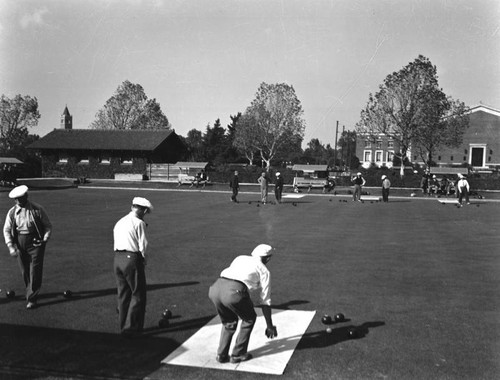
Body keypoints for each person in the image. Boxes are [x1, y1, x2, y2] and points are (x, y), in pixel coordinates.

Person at [208, 244, 277, 364]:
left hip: (215, 288)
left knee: (229, 322)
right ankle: (238, 354)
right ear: (268, 258)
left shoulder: (240, 258)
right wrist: (270, 326)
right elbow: (265, 302)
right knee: (249, 318)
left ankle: (221, 354)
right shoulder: (264, 271)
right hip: (234, 293)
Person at [3, 185, 52, 309]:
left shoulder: (37, 209)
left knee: (34, 270)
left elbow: (47, 226)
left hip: (36, 242)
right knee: (25, 271)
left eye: (20, 198)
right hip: (20, 242)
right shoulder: (12, 212)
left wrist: (45, 239)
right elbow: (7, 230)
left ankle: (32, 298)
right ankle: (30, 292)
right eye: (16, 199)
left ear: (26, 196)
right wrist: (10, 246)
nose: (18, 201)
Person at [113, 197, 153, 338]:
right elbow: (144, 245)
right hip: (131, 258)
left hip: (117, 258)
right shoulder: (139, 223)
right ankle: (132, 329)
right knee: (138, 293)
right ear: (142, 210)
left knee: (123, 294)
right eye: (146, 211)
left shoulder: (120, 221)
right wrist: (143, 260)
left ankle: (123, 326)